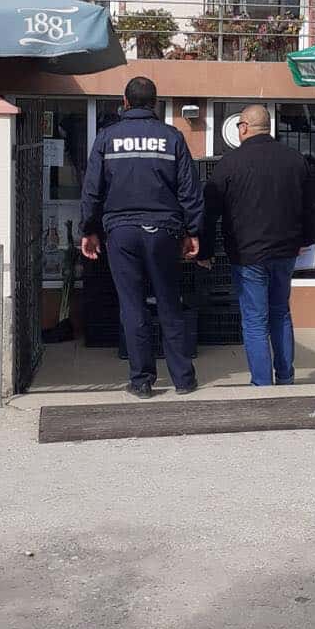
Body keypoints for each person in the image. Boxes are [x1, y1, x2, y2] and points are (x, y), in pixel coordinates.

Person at [79, 77, 203, 398]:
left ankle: (142, 381)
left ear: (125, 102)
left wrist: (88, 230)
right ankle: (183, 380)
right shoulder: (172, 137)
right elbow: (190, 190)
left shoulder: (106, 138)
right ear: (155, 103)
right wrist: (193, 231)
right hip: (164, 231)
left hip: (121, 232)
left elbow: (92, 189)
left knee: (132, 306)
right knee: (169, 303)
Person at [203, 104, 315, 387]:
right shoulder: (295, 160)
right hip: (286, 252)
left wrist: (205, 251)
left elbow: (209, 211)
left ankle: (262, 384)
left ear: (243, 127)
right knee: (280, 313)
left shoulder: (229, 163)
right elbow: (310, 206)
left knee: (255, 320)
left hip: (247, 254)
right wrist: (306, 240)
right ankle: (286, 378)